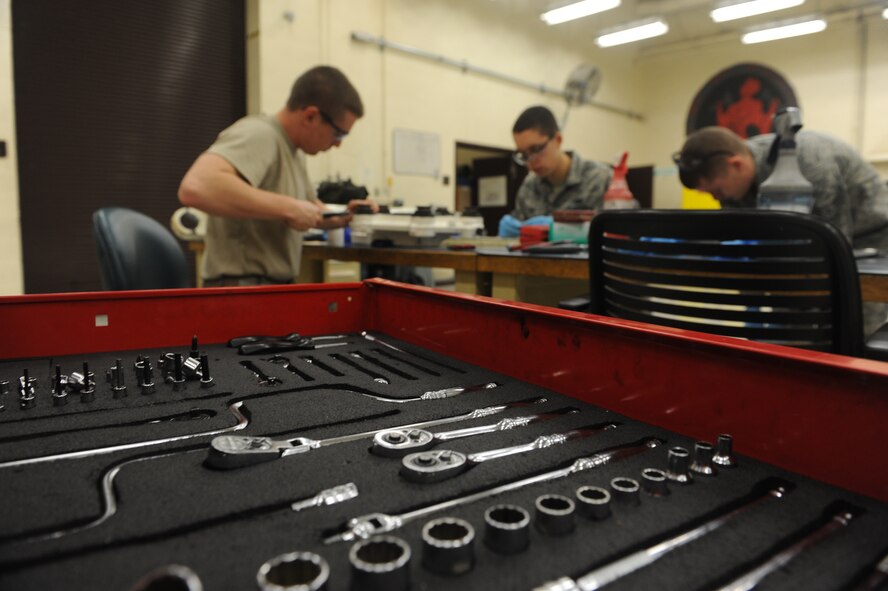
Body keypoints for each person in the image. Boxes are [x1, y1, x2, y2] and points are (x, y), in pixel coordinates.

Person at [674, 125, 888, 336]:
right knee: (787, 327)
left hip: (871, 234)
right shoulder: (733, 187)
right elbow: (748, 248)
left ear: (736, 164)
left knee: (854, 326)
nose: (716, 198)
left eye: (717, 191)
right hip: (806, 244)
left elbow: (837, 239)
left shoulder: (810, 161)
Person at [178, 65, 376, 287]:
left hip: (268, 286)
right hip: (241, 289)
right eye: (338, 133)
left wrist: (344, 216)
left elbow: (308, 210)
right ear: (311, 116)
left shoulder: (294, 151)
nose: (338, 144)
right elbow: (197, 187)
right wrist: (290, 208)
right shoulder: (260, 134)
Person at [498, 106, 612, 237]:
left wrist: (564, 229)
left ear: (558, 140)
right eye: (523, 155)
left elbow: (616, 235)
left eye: (536, 149)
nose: (531, 161)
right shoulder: (529, 187)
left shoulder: (600, 178)